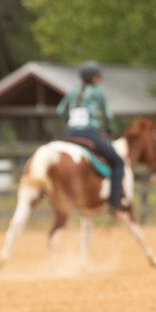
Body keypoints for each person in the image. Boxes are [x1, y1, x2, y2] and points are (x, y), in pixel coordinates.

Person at [56, 60, 126, 212]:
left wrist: (72, 120)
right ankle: (115, 202)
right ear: (94, 78)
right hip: (90, 134)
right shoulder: (98, 91)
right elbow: (107, 114)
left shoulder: (73, 90)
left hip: (71, 134)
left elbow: (60, 110)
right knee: (119, 162)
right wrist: (108, 128)